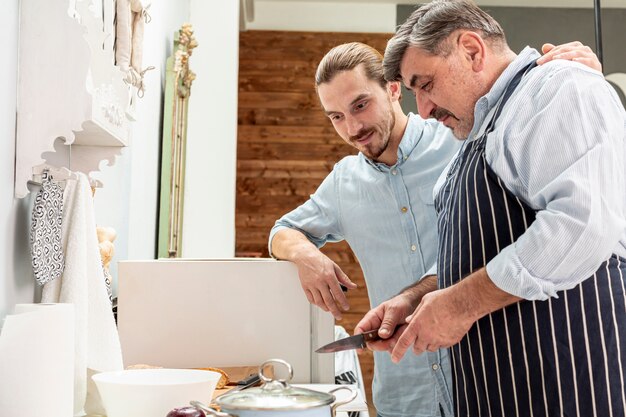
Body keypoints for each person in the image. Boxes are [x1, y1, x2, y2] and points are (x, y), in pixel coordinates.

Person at [269, 38, 601, 417]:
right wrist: (306, 255)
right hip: (403, 393)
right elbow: (283, 230)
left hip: (486, 377)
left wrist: (573, 72)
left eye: (360, 105)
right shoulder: (343, 183)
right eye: (337, 117)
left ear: (393, 89)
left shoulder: (462, 140)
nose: (353, 127)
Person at [356, 1, 626, 416]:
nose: (423, 109)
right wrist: (416, 298)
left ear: (471, 50)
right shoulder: (480, 132)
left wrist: (458, 305)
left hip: (569, 390)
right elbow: (488, 248)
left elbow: (581, 225)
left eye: (424, 84)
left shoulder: (556, 88)